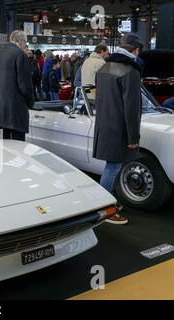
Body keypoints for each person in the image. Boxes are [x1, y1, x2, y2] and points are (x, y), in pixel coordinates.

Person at [93, 33, 144, 225]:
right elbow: (131, 109)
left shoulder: (105, 67)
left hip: (105, 124)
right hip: (120, 128)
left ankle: (106, 203)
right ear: (136, 51)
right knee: (113, 167)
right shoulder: (130, 71)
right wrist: (133, 137)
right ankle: (104, 209)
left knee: (110, 166)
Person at [0, 30, 34, 141]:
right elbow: (24, 84)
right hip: (16, 108)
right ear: (21, 41)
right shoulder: (20, 55)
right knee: (17, 146)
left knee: (1, 145)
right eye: (25, 42)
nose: (25, 45)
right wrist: (31, 102)